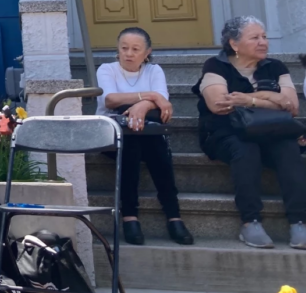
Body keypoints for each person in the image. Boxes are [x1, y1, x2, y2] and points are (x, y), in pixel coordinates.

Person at [194, 16, 306, 249]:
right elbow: (219, 105)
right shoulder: (216, 66)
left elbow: (293, 106)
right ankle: (250, 221)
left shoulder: (275, 67)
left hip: (271, 131)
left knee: (288, 149)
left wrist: (249, 99)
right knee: (246, 150)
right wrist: (275, 98)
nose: (263, 42)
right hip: (225, 133)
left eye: (264, 37)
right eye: (255, 37)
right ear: (234, 44)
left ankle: (299, 222)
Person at [95, 27, 193, 246]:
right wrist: (150, 97)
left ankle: (173, 215)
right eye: (124, 48)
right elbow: (110, 100)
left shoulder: (154, 71)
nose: (129, 54)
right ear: (117, 50)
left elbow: (163, 101)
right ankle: (130, 215)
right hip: (111, 135)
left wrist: (141, 106)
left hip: (147, 131)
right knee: (130, 147)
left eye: (135, 49)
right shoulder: (107, 69)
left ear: (147, 52)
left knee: (158, 150)